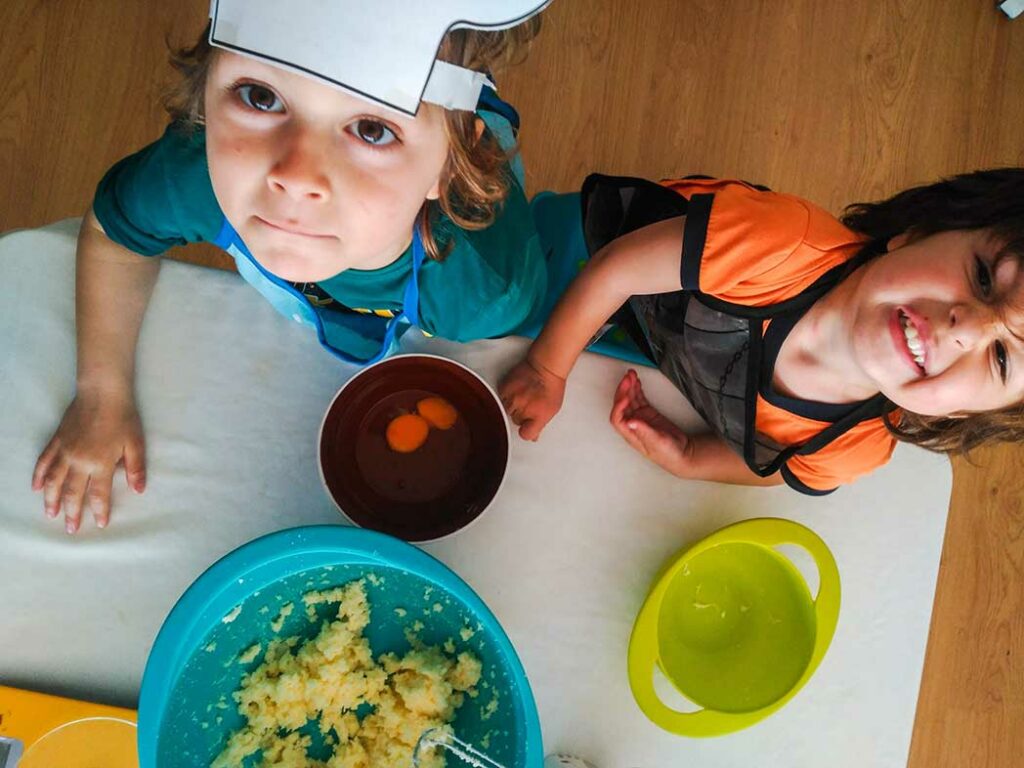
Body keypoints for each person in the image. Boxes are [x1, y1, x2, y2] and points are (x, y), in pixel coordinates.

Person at [32, 2, 552, 533]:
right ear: (206, 100)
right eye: (261, 97)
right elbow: (114, 238)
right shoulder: (190, 178)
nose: (296, 176)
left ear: (450, 162)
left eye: (372, 129)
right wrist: (101, 394)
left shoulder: (482, 292)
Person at [501, 169, 1024, 495]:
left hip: (653, 343)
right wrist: (547, 367)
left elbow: (783, 467)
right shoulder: (784, 243)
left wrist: (689, 457)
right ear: (918, 233)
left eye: (1001, 359)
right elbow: (617, 269)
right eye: (983, 277)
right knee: (508, 281)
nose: (966, 331)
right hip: (606, 253)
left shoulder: (854, 449)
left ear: (961, 414)